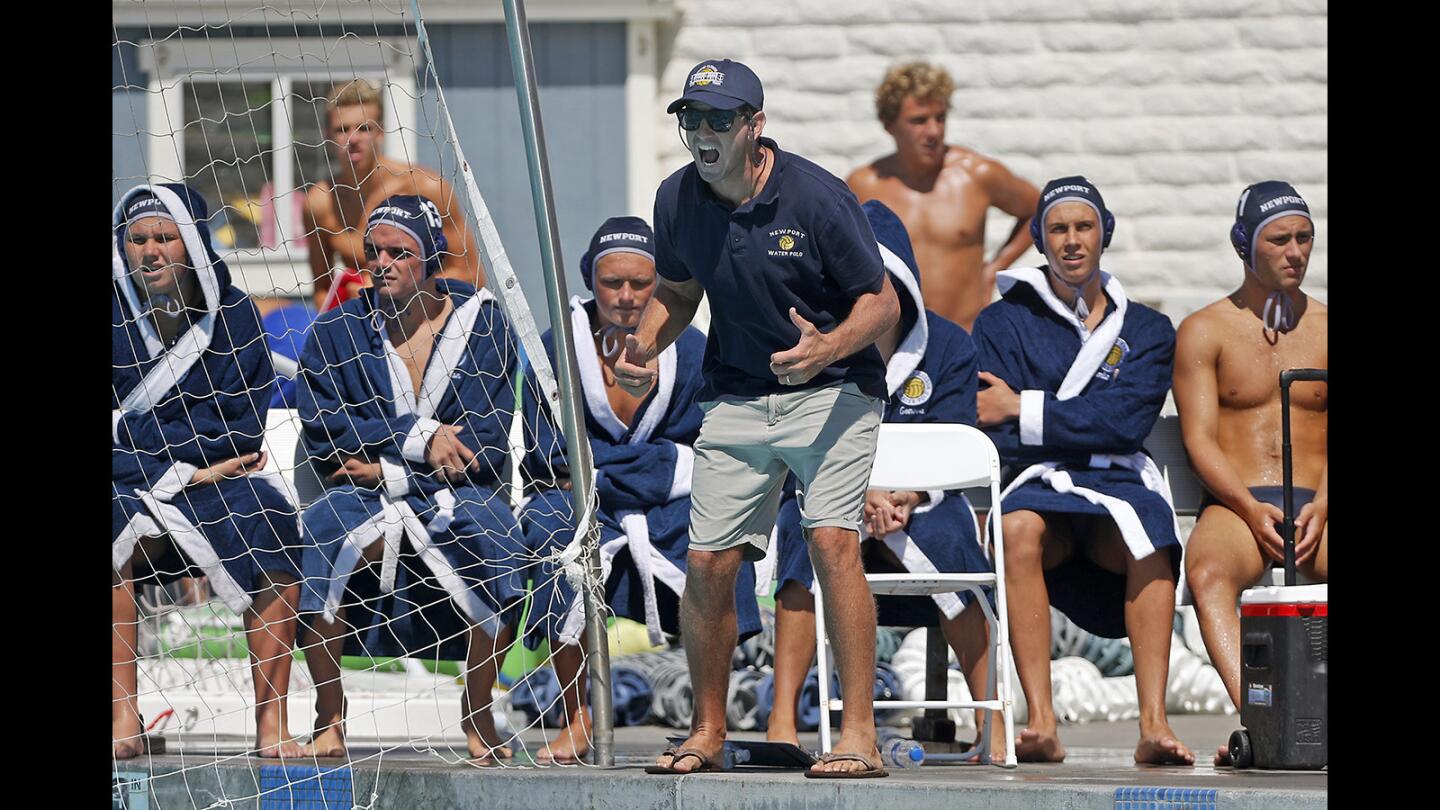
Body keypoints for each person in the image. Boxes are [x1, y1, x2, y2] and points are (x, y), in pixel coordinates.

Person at [616, 59, 901, 778]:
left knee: (832, 542)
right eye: (692, 120)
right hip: (740, 395)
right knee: (709, 561)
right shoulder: (677, 200)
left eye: (719, 120)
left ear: (754, 126)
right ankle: (707, 730)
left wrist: (827, 347)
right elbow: (679, 293)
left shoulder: (816, 199)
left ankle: (858, 735)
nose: (703, 134)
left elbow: (883, 302)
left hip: (834, 389)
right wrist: (645, 346)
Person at [516, 216, 762, 764]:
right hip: (585, 505)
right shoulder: (555, 346)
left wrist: (608, 468)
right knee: (556, 533)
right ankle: (578, 715)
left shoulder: (694, 349)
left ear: (661, 285)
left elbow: (711, 448)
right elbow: (547, 456)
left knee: (720, 545)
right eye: (612, 283)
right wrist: (654, 465)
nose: (626, 297)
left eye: (640, 283)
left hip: (665, 504)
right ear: (589, 279)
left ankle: (708, 721)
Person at [760, 199, 1001, 759]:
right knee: (805, 545)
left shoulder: (948, 347)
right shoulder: (815, 342)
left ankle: (995, 724)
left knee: (954, 547)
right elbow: (799, 435)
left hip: (924, 502)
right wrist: (861, 493)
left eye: (881, 280)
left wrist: (907, 494)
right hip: (834, 493)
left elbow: (958, 434)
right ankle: (782, 721)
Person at [294, 194, 526, 764]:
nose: (382, 263)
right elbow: (325, 431)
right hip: (364, 495)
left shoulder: (484, 325)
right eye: (373, 251)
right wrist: (419, 438)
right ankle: (329, 712)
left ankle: (477, 707)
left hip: (457, 493)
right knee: (322, 532)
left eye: (399, 252)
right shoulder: (337, 331)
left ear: (429, 260)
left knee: (501, 543)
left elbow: (482, 445)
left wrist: (383, 461)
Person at [973, 176, 1194, 765]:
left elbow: (1123, 425)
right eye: (1058, 229)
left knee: (1147, 531)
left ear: (1104, 233)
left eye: (1084, 227)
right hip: (1036, 482)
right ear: (1042, 242)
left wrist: (1025, 405)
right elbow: (989, 423)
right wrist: (1065, 420)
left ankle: (1153, 724)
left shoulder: (1148, 330)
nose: (1072, 241)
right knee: (1017, 530)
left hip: (1117, 483)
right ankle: (1041, 721)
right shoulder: (1001, 323)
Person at [112, 183, 305, 759]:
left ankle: (273, 723)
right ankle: (123, 717)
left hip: (217, 486)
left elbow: (242, 431)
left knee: (271, 521)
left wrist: (133, 434)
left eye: (165, 238)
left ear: (192, 243)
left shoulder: (236, 313)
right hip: (144, 484)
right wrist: (186, 470)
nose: (150, 251)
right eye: (137, 239)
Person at [1172, 181, 1327, 766]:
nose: (1296, 251)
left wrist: (1323, 505)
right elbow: (1199, 441)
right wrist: (1246, 504)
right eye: (1279, 239)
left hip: (1318, 504)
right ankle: (1266, 721)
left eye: (1305, 238)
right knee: (1208, 571)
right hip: (1241, 503)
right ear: (1245, 245)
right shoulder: (1205, 329)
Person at [847, 62, 1039, 332]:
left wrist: (994, 268)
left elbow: (1039, 209)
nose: (934, 131)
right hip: (894, 346)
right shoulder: (864, 184)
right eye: (919, 120)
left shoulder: (977, 174)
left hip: (966, 336)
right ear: (889, 124)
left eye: (940, 118)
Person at [303, 79, 484, 311]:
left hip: (431, 321)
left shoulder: (425, 188)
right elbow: (322, 291)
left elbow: (472, 274)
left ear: (380, 131)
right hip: (367, 326)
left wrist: (396, 288)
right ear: (328, 135)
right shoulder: (320, 203)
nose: (353, 139)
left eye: (364, 128)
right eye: (342, 129)